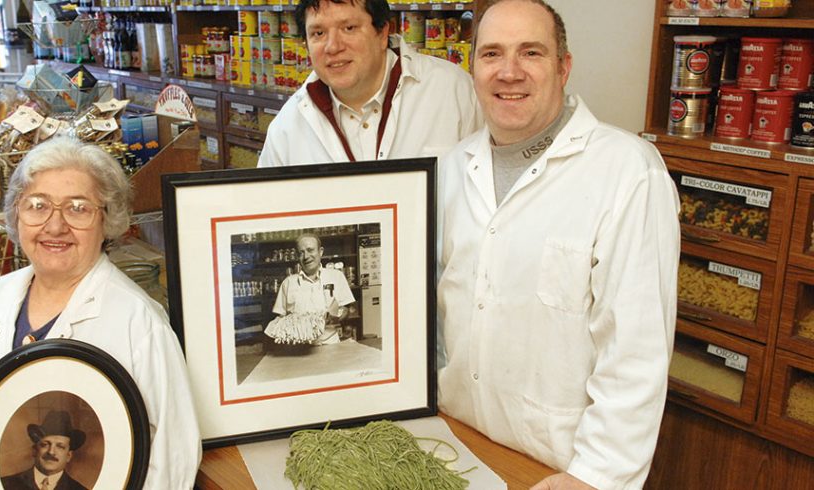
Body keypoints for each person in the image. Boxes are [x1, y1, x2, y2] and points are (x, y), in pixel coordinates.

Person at [436, 1, 680, 489]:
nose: (509, 72)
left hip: (559, 469)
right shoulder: (451, 166)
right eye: (491, 54)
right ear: (473, 68)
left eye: (531, 52)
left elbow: (635, 351)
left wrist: (596, 477)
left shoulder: (628, 172)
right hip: (456, 441)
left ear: (563, 67)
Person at [0, 136, 201, 489]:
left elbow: (174, 460)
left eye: (78, 208)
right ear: (17, 214)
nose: (55, 226)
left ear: (107, 219)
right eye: (37, 205)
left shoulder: (140, 323)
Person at [257, 0, 479, 167]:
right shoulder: (286, 128)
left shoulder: (453, 89)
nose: (333, 47)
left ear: (382, 33)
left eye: (349, 28)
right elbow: (264, 214)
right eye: (318, 33)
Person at [266, 234, 355, 345]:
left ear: (320, 251)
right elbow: (281, 317)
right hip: (298, 349)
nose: (306, 256)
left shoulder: (336, 276)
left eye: (310, 250)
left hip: (331, 345)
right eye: (301, 252)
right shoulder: (288, 283)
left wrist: (335, 317)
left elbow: (345, 308)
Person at [0, 410, 89, 490]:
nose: (51, 452)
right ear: (34, 450)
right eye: (45, 445)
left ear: (68, 456)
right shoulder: (6, 485)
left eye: (60, 447)